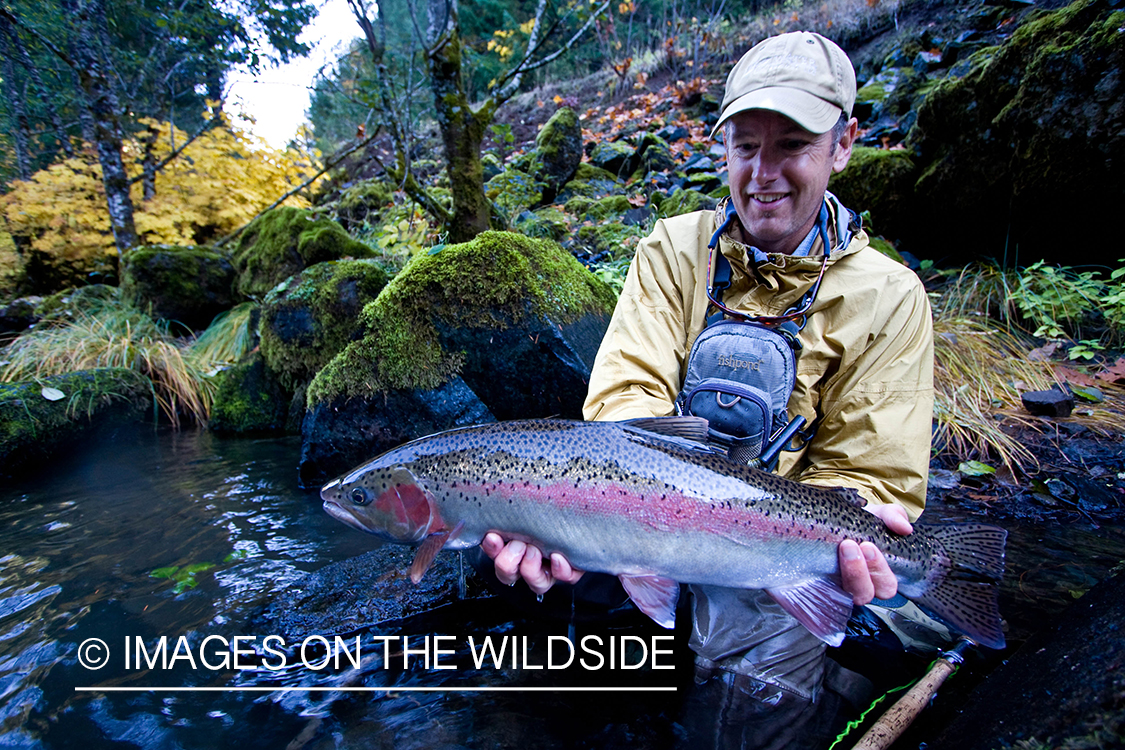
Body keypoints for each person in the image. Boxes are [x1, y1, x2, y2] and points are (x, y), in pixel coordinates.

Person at [483, 30, 934, 747]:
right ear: (721, 145)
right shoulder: (673, 246)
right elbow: (625, 404)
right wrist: (564, 510)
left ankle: (845, 673)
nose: (762, 172)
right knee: (562, 612)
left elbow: (867, 472)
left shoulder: (890, 294)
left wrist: (861, 530)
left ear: (843, 145)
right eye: (744, 145)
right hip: (642, 508)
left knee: (740, 723)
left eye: (791, 145)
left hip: (775, 549)